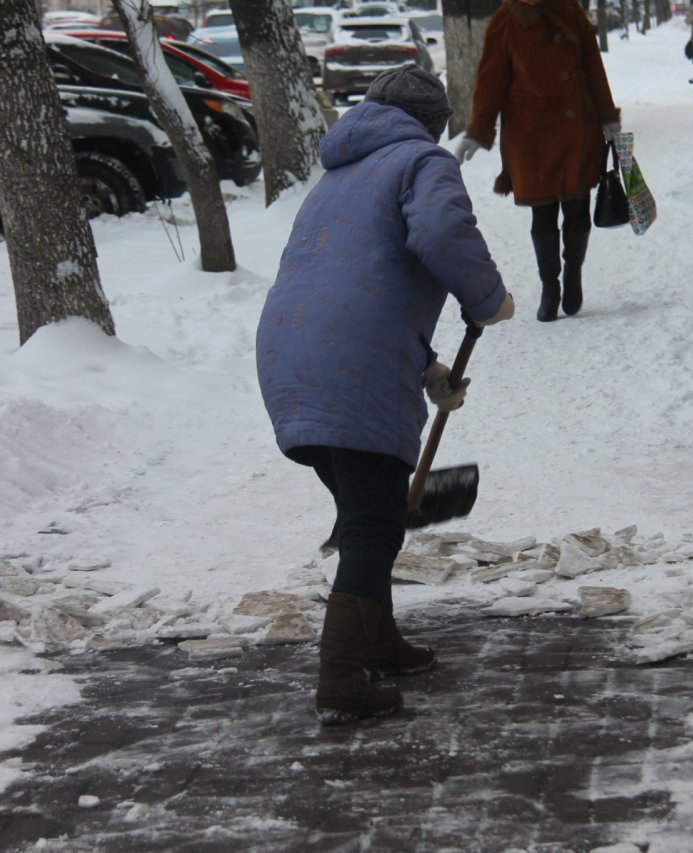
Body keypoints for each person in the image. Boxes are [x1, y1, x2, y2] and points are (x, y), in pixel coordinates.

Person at [255, 65, 515, 725]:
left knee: (368, 510)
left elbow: (350, 284)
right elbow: (442, 234)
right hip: (352, 362)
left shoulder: (337, 177)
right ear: (430, 123)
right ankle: (342, 675)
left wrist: (427, 369)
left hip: (290, 359)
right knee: (374, 523)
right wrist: (489, 300)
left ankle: (378, 639)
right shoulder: (422, 161)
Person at [454, 0, 620, 323]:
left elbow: (593, 67)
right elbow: (491, 80)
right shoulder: (506, 20)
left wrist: (607, 116)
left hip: (577, 131)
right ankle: (550, 288)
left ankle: (573, 274)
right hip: (531, 137)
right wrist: (479, 129)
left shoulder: (570, 11)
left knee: (578, 212)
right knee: (543, 217)